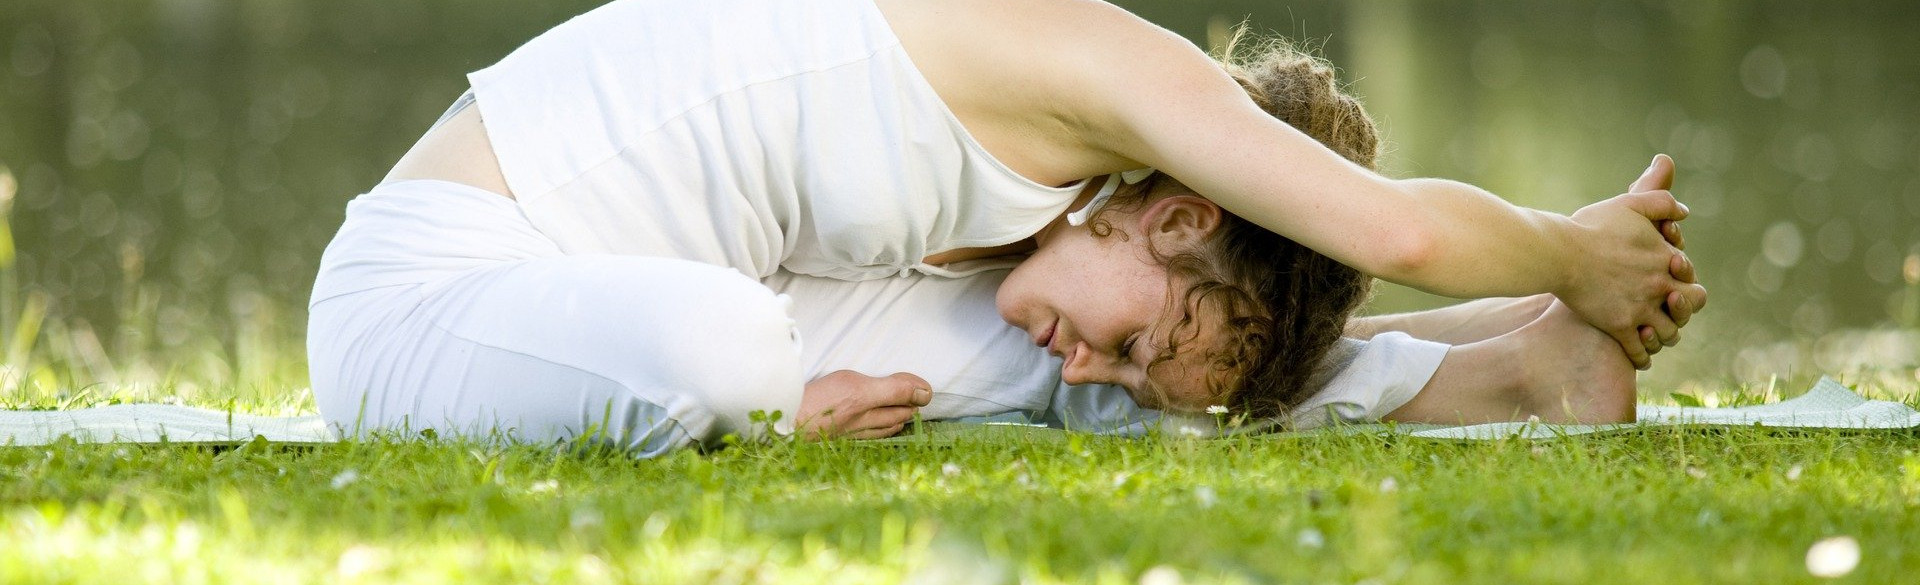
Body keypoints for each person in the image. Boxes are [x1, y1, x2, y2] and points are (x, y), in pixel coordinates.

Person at [307, 0, 1704, 455]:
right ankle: (750, 393)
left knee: (1096, 388)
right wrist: (1577, 246)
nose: (1100, 356)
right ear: (1176, 212)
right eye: (1144, 325)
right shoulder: (1106, 71)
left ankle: (1522, 368)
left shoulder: (1079, 221)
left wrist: (1539, 308)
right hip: (436, 292)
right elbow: (1392, 232)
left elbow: (1302, 291)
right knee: (734, 347)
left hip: (614, 293)